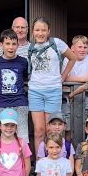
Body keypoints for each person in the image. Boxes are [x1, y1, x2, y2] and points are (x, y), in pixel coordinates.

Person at [27, 17, 77, 150]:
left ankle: (54, 159)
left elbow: (72, 58)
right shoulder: (30, 47)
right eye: (37, 30)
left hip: (53, 90)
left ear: (49, 31)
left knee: (51, 130)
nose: (40, 33)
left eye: (43, 30)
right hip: (35, 91)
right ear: (32, 31)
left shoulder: (57, 43)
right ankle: (40, 161)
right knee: (39, 130)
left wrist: (63, 76)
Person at [0, 29, 30, 143]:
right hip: (2, 103)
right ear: (1, 45)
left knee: (22, 136)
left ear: (18, 45)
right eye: (7, 43)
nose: (10, 47)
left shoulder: (23, 61)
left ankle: (22, 155)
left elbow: (25, 77)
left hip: (20, 103)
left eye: (13, 44)